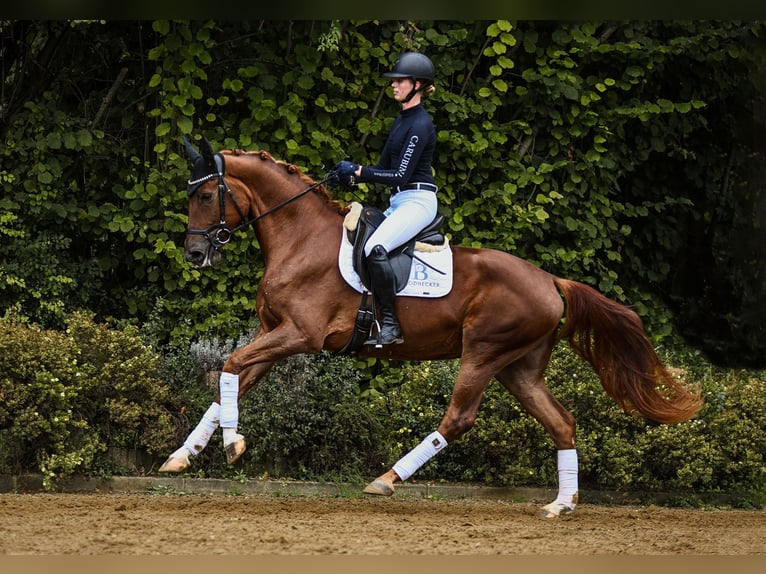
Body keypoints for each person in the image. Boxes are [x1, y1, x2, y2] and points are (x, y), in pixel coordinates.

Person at [334, 51, 439, 346]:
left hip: (418, 201)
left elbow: (400, 176)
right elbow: (381, 170)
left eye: (400, 81)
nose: (393, 85)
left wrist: (358, 170)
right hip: (399, 201)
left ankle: (391, 325)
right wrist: (351, 176)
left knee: (375, 247)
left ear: (417, 85)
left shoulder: (420, 125)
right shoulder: (401, 121)